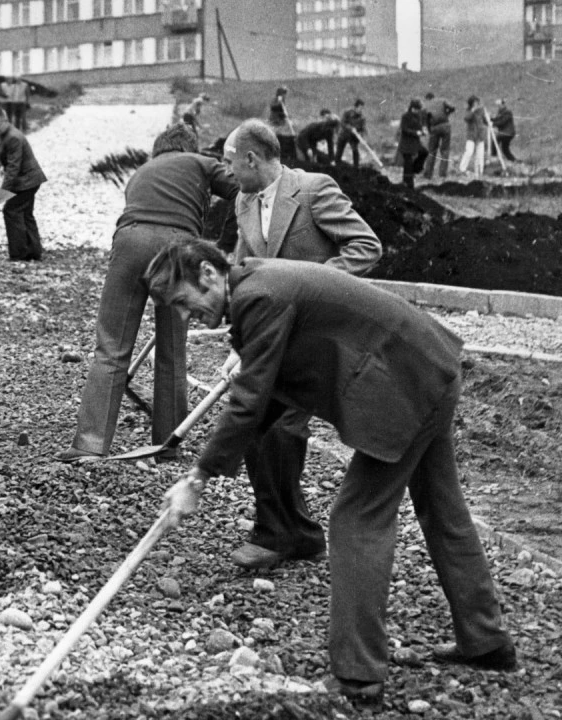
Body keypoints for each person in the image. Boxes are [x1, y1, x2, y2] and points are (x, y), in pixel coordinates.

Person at [147, 238, 516, 706]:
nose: (185, 316)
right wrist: (204, 473)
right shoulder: (255, 286)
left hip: (406, 381)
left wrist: (198, 477)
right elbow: (266, 398)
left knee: (356, 520)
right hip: (425, 366)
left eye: (184, 302)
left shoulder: (260, 295)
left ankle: (359, 676)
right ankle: (486, 642)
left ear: (206, 274)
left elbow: (250, 399)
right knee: (443, 508)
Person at [220, 119, 382, 570]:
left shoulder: (312, 190)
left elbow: (366, 246)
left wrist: (313, 285)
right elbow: (244, 267)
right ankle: (290, 530)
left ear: (252, 158)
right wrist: (239, 342)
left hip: (315, 337)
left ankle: (283, 533)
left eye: (232, 163)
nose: (229, 172)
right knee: (252, 422)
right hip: (271, 336)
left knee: (283, 428)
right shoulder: (243, 201)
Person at [54, 124, 237, 464]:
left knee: (111, 346)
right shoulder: (199, 162)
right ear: (189, 146)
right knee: (172, 350)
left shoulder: (141, 172)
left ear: (159, 150)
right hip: (176, 247)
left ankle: (89, 445)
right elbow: (242, 188)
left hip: (129, 241)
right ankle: (167, 444)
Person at [0, 107, 47, 261]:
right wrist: (1, 166)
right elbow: (2, 156)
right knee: (25, 213)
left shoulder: (14, 137)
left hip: (27, 181)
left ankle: (19, 253)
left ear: (5, 121)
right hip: (27, 180)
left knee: (11, 211)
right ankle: (34, 252)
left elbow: (14, 168)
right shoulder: (3, 134)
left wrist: (1, 194)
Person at [398, 99, 428, 189]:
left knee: (424, 152)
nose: (417, 111)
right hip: (406, 143)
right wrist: (416, 133)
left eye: (418, 109)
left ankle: (416, 169)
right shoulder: (405, 116)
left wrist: (423, 131)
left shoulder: (418, 116)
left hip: (415, 143)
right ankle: (408, 184)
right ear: (411, 108)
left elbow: (420, 126)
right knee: (408, 163)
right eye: (416, 109)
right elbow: (404, 129)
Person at [423, 95, 455, 179]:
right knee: (445, 150)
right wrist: (447, 114)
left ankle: (428, 174)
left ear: (427, 99)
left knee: (432, 151)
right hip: (445, 126)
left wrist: (430, 131)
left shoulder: (427, 106)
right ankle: (442, 174)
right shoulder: (442, 100)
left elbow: (426, 121)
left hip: (434, 128)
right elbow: (452, 108)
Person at [458, 95, 488, 177]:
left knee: (480, 154)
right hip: (471, 135)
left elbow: (486, 120)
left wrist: (490, 122)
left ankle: (480, 171)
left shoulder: (481, 110)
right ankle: (462, 169)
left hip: (480, 135)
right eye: (474, 103)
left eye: (477, 102)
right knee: (469, 151)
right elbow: (467, 118)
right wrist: (472, 110)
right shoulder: (468, 110)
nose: (476, 104)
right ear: (471, 103)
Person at [267, 86, 297, 165]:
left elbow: (284, 112)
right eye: (284, 93)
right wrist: (279, 102)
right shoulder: (276, 100)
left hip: (280, 121)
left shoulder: (282, 101)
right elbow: (274, 107)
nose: (285, 95)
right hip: (276, 121)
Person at [334, 99, 366, 169]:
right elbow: (342, 123)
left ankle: (356, 168)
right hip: (344, 134)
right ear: (355, 107)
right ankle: (336, 166)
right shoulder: (348, 112)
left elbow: (363, 128)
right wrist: (350, 128)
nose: (361, 110)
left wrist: (361, 135)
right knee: (339, 151)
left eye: (362, 108)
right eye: (360, 108)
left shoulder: (362, 117)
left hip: (353, 137)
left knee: (355, 151)